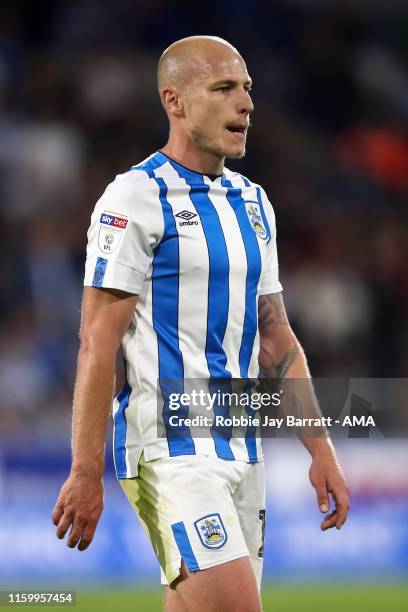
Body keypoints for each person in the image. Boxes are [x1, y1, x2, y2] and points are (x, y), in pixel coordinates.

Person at [52, 36, 349, 612]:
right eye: (224, 89)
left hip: (243, 447)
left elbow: (275, 337)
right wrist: (85, 469)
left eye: (247, 89)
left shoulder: (254, 203)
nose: (246, 104)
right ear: (175, 101)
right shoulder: (134, 197)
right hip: (171, 449)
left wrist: (322, 450)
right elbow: (97, 340)